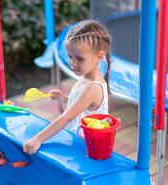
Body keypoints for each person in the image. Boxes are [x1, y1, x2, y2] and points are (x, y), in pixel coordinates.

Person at [23, 20, 111, 155]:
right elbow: (83, 107)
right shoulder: (87, 77)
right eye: (70, 56)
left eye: (80, 59)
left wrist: (38, 139)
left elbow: (67, 117)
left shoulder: (93, 87)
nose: (73, 63)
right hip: (80, 141)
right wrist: (64, 99)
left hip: (87, 147)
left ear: (99, 57)